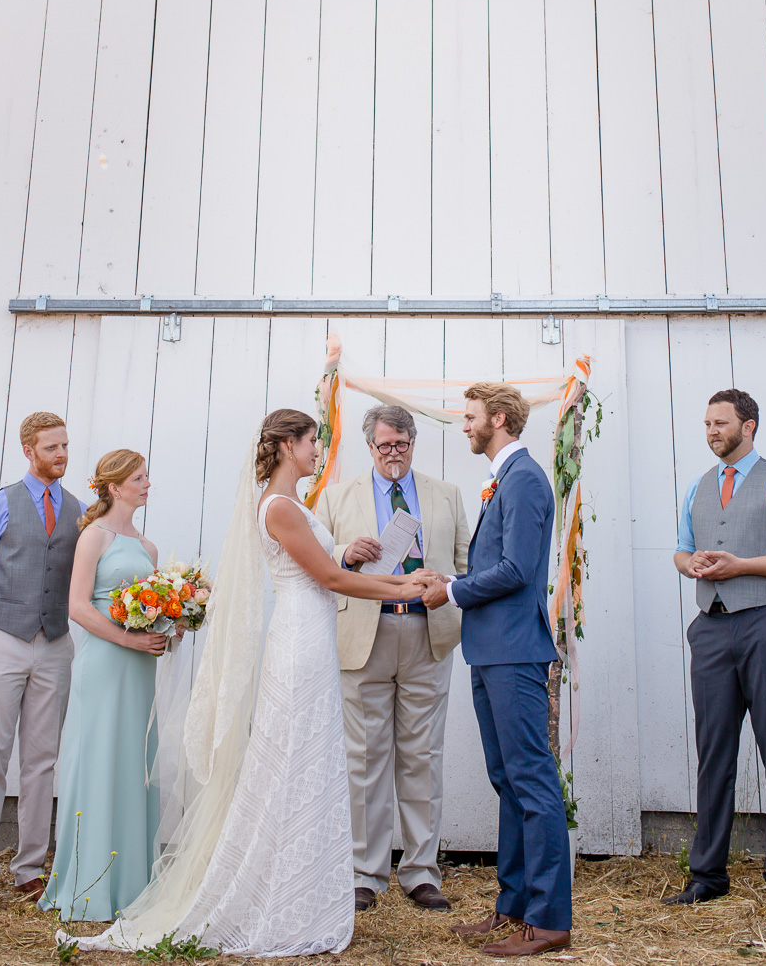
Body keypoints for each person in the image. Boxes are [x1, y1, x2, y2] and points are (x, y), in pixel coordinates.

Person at [67, 409, 426, 957]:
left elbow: (328, 567)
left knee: (305, 764)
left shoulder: (292, 505)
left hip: (312, 635)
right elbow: (327, 579)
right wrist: (409, 587)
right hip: (301, 643)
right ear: (287, 447)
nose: (317, 451)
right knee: (291, 764)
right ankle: (272, 899)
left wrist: (381, 569)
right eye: (311, 442)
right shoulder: (279, 507)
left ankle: (296, 893)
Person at [421, 382, 572, 958]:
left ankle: (550, 919)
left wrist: (452, 590)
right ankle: (512, 906)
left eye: (470, 417)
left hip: (514, 651)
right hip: (488, 651)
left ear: (499, 419)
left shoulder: (527, 479)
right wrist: (450, 584)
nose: (463, 425)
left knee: (531, 781)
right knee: (507, 781)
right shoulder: (505, 480)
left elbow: (516, 568)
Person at [665, 388, 766, 909]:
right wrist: (687, 564)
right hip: (711, 629)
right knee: (714, 755)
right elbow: (682, 548)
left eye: (721, 423)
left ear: (749, 426)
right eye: (707, 423)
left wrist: (744, 565)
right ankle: (707, 875)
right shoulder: (696, 487)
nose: (712, 431)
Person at [316, 405, 470, 912]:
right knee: (364, 758)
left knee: (422, 756)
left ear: (413, 442)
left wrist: (447, 590)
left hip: (429, 633)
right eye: (384, 445)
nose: (393, 454)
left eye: (402, 444)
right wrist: (345, 552)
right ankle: (365, 873)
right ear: (369, 445)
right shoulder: (338, 497)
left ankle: (422, 871)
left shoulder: (446, 495)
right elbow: (315, 560)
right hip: (365, 632)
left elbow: (468, 564)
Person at [0, 411, 84, 911]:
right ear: (29, 450)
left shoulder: (77, 508)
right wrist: (1, 626)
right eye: (52, 448)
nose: (62, 455)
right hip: (2, 639)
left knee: (42, 761)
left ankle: (29, 868)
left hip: (55, 643)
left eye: (66, 446)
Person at [41, 450, 170, 922]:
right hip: (105, 661)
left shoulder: (148, 547)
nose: (147, 483)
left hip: (139, 669)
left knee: (134, 763)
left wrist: (172, 622)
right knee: (98, 760)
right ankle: (88, 882)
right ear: (115, 487)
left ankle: (133, 884)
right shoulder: (93, 536)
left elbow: (153, 605)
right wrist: (127, 639)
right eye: (139, 477)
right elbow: (78, 606)